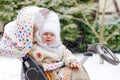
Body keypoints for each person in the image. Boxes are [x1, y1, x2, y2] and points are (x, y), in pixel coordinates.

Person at [31, 9, 90, 80]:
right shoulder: (36, 47)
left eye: (52, 35)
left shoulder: (60, 48)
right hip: (48, 74)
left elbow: (67, 55)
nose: (48, 36)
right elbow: (34, 61)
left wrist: (71, 62)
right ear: (40, 36)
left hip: (60, 70)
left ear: (56, 37)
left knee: (78, 66)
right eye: (45, 34)